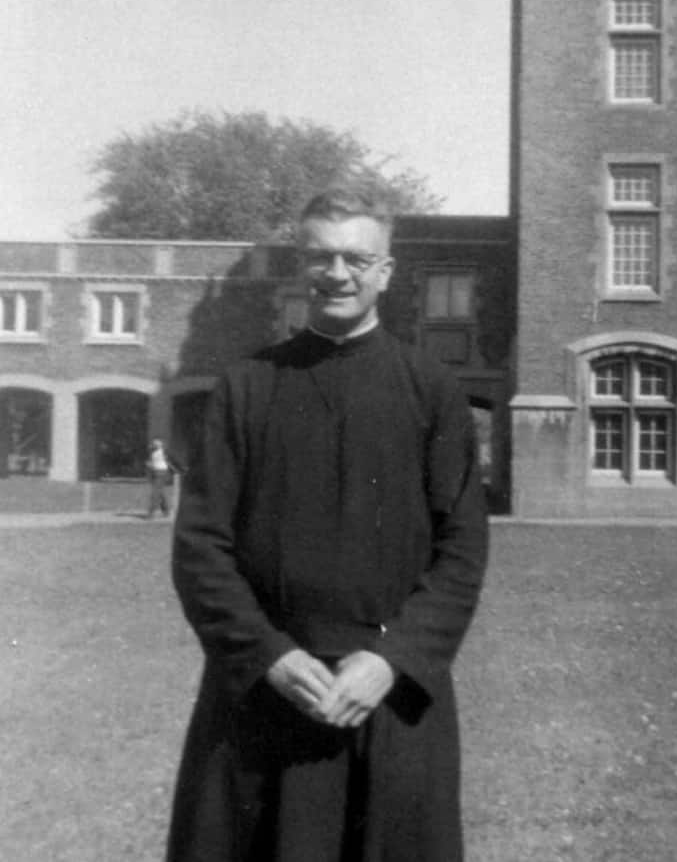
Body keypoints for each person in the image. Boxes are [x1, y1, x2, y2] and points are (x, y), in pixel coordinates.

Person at [166, 189, 489, 861]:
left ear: (386, 271)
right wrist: (269, 655)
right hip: (266, 697)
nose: (338, 273)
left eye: (357, 258)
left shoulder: (431, 389)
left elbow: (462, 549)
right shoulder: (247, 386)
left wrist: (392, 659)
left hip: (389, 698)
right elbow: (200, 547)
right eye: (321, 256)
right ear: (299, 266)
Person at [146, 438, 177, 519]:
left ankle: (151, 513)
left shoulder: (162, 451)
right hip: (156, 473)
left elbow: (167, 460)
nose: (152, 445)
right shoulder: (153, 453)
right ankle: (166, 511)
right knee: (161, 492)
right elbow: (152, 463)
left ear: (159, 446)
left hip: (161, 473)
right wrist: (150, 466)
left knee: (155, 493)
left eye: (155, 444)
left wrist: (174, 469)